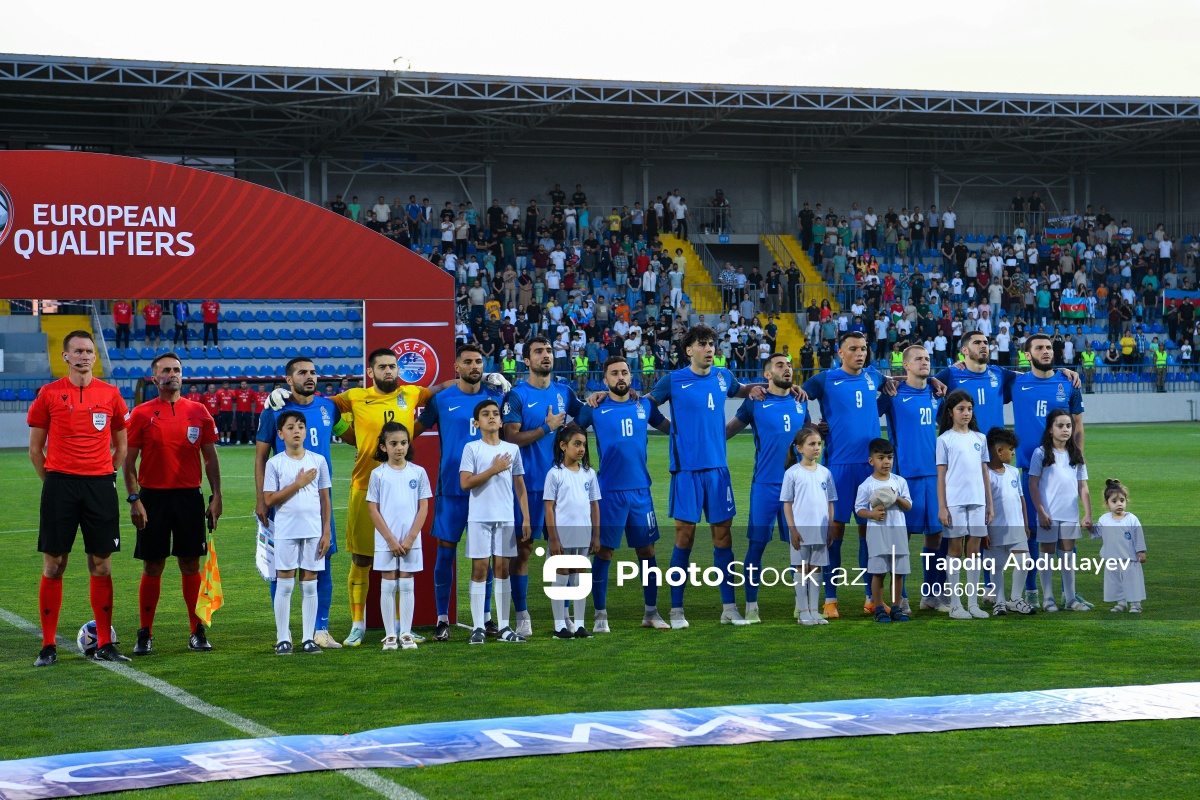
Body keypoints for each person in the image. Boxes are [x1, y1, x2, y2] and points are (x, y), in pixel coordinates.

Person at [646, 325, 782, 629]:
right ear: (688, 350)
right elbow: (645, 405)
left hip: (719, 471)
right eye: (702, 344)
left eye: (711, 344)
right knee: (685, 537)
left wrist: (761, 386)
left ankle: (729, 608)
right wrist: (672, 431)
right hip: (686, 472)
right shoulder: (673, 380)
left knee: (723, 538)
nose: (709, 349)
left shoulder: (723, 376)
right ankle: (677, 611)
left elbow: (744, 390)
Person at [28, 331, 130, 666]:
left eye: (90, 351)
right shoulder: (49, 394)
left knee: (101, 563)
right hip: (60, 485)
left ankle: (104, 643)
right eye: (78, 351)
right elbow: (34, 449)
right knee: (54, 563)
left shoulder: (111, 394)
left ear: (94, 357)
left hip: (99, 486)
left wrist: (105, 475)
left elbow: (122, 445)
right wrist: (53, 482)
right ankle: (47, 645)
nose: (85, 356)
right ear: (65, 356)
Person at [123, 352, 222, 656]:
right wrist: (135, 499)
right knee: (153, 565)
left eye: (176, 369)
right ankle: (145, 633)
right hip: (152, 498)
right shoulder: (140, 413)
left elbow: (210, 458)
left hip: (189, 497)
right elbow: (127, 462)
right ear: (154, 378)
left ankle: (196, 630)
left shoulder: (199, 411)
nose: (172, 374)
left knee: (191, 564)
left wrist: (217, 495)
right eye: (165, 370)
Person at [573, 357, 672, 632]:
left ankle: (651, 613)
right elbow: (570, 434)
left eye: (625, 373)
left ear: (632, 378)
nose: (620, 377)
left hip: (641, 491)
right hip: (609, 492)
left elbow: (670, 428)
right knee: (604, 552)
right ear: (604, 380)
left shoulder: (645, 405)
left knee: (647, 551)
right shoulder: (594, 407)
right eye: (614, 373)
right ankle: (600, 616)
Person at [801, 332, 895, 619]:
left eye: (863, 349)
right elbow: (798, 396)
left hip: (870, 469)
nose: (860, 353)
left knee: (870, 534)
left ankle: (871, 597)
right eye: (853, 349)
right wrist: (814, 427)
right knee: (835, 533)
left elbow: (889, 390)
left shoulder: (873, 377)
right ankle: (830, 599)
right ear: (840, 353)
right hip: (839, 467)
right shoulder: (825, 379)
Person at [414, 344, 504, 642]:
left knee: (486, 558)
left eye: (479, 361)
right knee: (445, 555)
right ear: (457, 366)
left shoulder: (497, 398)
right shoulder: (441, 400)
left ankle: (487, 618)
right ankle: (442, 619)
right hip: (451, 490)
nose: (474, 365)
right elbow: (411, 430)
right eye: (468, 361)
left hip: (488, 491)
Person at [255, 357, 346, 650]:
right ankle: (284, 634)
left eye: (313, 372)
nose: (309, 377)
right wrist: (261, 500)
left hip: (319, 503)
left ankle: (320, 630)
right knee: (280, 570)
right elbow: (260, 458)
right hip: (283, 506)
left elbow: (351, 433)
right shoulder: (274, 410)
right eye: (302, 373)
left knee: (322, 566)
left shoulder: (328, 407)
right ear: (288, 378)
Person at [500, 337, 585, 637]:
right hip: (528, 486)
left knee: (562, 553)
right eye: (538, 352)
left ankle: (563, 618)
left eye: (548, 351)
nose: (546, 356)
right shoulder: (517, 396)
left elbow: (584, 415)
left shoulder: (563, 390)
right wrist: (546, 428)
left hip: (562, 487)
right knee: (523, 550)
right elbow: (510, 438)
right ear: (526, 361)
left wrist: (599, 399)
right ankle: (523, 615)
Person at [723, 353, 808, 622]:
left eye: (790, 365)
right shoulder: (754, 402)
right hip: (765, 486)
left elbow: (809, 437)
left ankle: (802, 604)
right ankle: (751, 606)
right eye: (780, 365)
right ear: (767, 374)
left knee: (800, 548)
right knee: (756, 546)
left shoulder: (800, 401)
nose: (787, 369)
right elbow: (726, 432)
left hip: (796, 487)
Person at [1012, 334, 1089, 608]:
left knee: (1066, 531)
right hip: (1030, 471)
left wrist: (1076, 456)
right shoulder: (1015, 381)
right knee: (1034, 532)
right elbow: (983, 370)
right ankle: (1035, 592)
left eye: (1048, 348)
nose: (1046, 352)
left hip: (1063, 468)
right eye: (1039, 348)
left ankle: (1071, 594)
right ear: (1027, 353)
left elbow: (1077, 425)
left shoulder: (1069, 381)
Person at [877, 345, 944, 614]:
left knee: (936, 538)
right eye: (918, 359)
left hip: (933, 476)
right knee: (900, 541)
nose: (924, 362)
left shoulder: (936, 393)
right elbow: (866, 416)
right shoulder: (892, 395)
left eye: (927, 359)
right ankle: (899, 597)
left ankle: (931, 595)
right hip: (904, 478)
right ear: (905, 365)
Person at [460, 399, 530, 644]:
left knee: (502, 570)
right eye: (485, 414)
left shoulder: (512, 450)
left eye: (496, 413)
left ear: (501, 421)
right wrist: (494, 468)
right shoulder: (472, 448)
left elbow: (520, 486)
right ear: (476, 422)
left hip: (505, 518)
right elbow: (465, 482)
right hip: (479, 518)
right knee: (480, 570)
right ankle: (478, 626)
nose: (491, 417)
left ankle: (504, 627)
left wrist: (526, 517)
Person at [263, 410, 332, 655]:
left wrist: (326, 532)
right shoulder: (275, 463)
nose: (297, 430)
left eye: (300, 426)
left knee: (310, 584)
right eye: (290, 427)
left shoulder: (318, 460)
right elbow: (269, 499)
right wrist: (298, 484)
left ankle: (307, 639)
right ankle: (283, 638)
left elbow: (325, 498)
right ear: (280, 434)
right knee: (284, 584)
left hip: (314, 531)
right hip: (286, 531)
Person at [367, 422, 431, 651]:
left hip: (410, 540)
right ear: (383, 446)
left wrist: (411, 538)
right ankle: (390, 635)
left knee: (406, 583)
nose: (399, 448)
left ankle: (406, 633)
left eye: (403, 443)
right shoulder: (378, 474)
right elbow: (373, 509)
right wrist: (391, 540)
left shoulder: (418, 472)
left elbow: (423, 507)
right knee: (388, 583)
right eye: (393, 443)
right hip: (387, 540)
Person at [935, 390, 992, 621]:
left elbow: (984, 472)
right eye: (961, 409)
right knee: (955, 550)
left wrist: (989, 504)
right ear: (951, 412)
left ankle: (973, 603)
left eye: (969, 408)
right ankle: (956, 605)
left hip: (978, 500)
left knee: (974, 551)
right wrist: (942, 506)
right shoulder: (944, 440)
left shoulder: (980, 438)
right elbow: (941, 475)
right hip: (955, 502)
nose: (966, 413)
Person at [1027, 408, 1092, 613]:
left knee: (1067, 556)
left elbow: (1083, 486)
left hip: (1069, 513)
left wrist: (1088, 513)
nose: (1065, 430)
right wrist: (1041, 511)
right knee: (1046, 556)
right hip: (1049, 515)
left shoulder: (1076, 454)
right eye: (1060, 426)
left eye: (1068, 426)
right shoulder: (1041, 453)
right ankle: (1048, 598)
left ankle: (1071, 598)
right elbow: (1032, 484)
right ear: (1050, 430)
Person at [544, 425, 601, 639]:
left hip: (583, 536)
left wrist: (595, 535)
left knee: (579, 579)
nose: (581, 449)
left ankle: (579, 625)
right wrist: (553, 539)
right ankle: (560, 625)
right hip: (562, 537)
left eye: (584, 445)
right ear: (562, 446)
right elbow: (549, 508)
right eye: (577, 444)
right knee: (561, 578)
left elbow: (594, 505)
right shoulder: (555, 474)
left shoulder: (589, 474)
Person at [780, 427, 836, 626]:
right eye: (811, 444)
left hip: (820, 529)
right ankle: (803, 611)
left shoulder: (825, 473)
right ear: (799, 448)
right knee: (802, 568)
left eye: (819, 443)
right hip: (801, 530)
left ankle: (814, 610)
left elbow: (830, 501)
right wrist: (792, 529)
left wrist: (830, 526)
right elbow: (787, 503)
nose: (817, 448)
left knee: (816, 569)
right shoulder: (792, 473)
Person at [854, 439, 913, 623]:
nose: (886, 462)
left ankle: (896, 607)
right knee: (878, 573)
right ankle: (878, 607)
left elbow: (909, 506)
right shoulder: (867, 485)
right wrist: (871, 514)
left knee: (897, 573)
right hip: (878, 535)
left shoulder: (899, 481)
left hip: (898, 534)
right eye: (881, 458)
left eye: (889, 457)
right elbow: (858, 509)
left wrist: (895, 498)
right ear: (871, 461)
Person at [984, 427, 1036, 616]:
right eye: (1011, 449)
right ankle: (999, 601)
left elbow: (1021, 498)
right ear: (999, 451)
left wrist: (1025, 523)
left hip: (1016, 526)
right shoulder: (985, 475)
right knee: (997, 565)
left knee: (1024, 560)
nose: (1014, 453)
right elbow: (984, 505)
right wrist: (983, 531)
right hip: (994, 528)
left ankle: (1015, 599)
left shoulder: (1014, 472)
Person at [1093, 479, 1146, 613]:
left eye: (1122, 500)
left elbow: (1138, 535)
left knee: (1132, 581)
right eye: (1114, 501)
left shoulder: (1131, 519)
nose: (1119, 504)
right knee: (1115, 582)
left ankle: (1135, 604)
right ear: (1107, 503)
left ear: (1126, 501)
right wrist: (1089, 527)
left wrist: (1141, 551)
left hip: (1129, 558)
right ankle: (1121, 603)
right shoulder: (1104, 519)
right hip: (1111, 558)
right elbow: (1098, 533)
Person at [214, 381, 235, 445]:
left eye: (227, 385)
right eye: (224, 385)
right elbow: (216, 401)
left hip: (230, 411)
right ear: (222, 386)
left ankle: (228, 441)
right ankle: (222, 441)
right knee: (222, 426)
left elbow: (235, 398)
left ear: (228, 385)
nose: (225, 386)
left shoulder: (232, 392)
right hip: (222, 411)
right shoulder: (219, 392)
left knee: (229, 426)